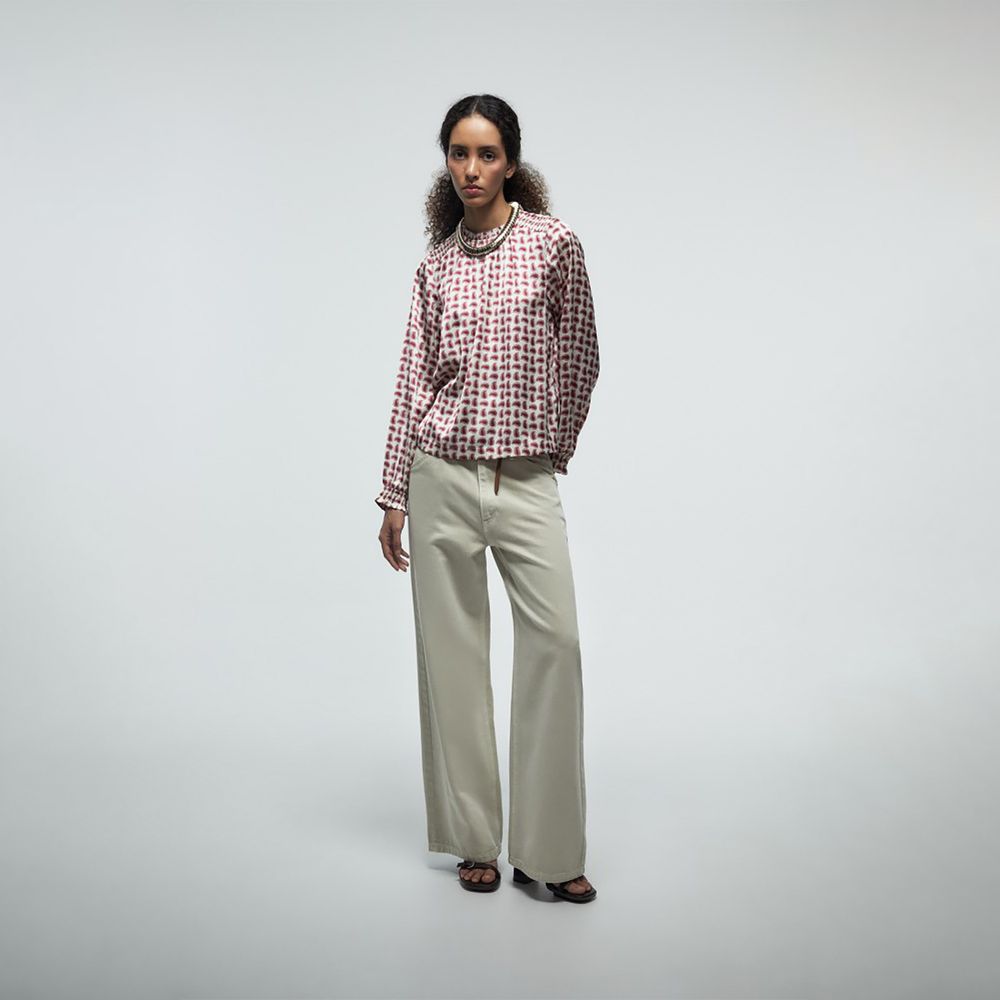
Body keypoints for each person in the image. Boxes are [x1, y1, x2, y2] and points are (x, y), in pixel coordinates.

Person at [375, 94, 600, 902]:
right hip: (439, 474)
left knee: (556, 644)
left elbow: (582, 354)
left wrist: (552, 448)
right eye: (459, 153)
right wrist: (394, 491)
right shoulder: (434, 268)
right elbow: (412, 378)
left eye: (488, 154)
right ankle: (475, 840)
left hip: (524, 477)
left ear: (511, 162)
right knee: (453, 659)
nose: (472, 169)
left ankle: (549, 849)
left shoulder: (553, 243)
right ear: (447, 161)